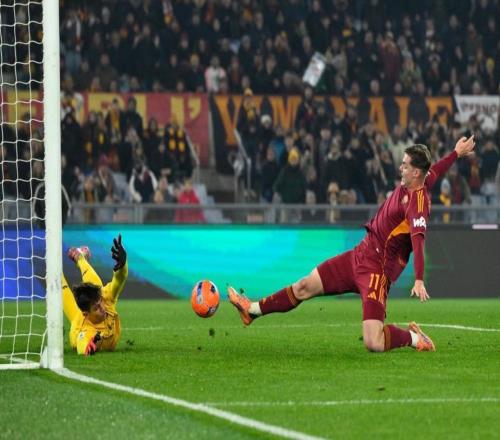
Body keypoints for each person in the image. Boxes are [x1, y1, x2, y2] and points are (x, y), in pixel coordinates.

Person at [228, 136, 476, 353]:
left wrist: (419, 279)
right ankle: (251, 310)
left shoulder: (417, 203)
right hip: (360, 254)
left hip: (377, 271)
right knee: (304, 286)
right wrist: (456, 153)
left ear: (416, 173)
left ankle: (414, 339)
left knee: (373, 343)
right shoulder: (419, 180)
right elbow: (437, 169)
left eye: (405, 165)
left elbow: (418, 240)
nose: (401, 167)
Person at [62, 235, 128, 355]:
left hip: (88, 305)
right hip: (78, 323)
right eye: (96, 308)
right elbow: (82, 343)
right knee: (59, 287)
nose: (102, 308)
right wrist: (88, 347)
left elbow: (118, 281)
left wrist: (122, 265)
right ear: (86, 313)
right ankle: (54, 271)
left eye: (100, 303)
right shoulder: (84, 330)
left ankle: (80, 258)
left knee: (96, 285)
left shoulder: (104, 299)